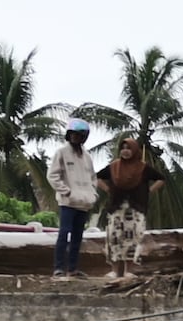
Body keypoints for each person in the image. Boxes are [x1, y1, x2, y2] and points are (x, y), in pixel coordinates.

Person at [95, 133, 158, 275]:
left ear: (134, 150)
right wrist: (108, 189)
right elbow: (97, 178)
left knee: (132, 239)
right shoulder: (114, 167)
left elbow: (160, 179)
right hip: (117, 209)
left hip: (135, 209)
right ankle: (114, 271)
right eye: (123, 148)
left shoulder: (143, 168)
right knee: (114, 238)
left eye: (128, 148)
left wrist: (149, 191)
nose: (125, 151)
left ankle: (129, 271)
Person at [43, 119, 98, 278]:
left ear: (84, 137)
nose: (76, 138)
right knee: (64, 233)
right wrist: (66, 191)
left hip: (84, 203)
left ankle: (73, 269)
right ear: (68, 135)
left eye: (79, 135)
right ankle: (59, 268)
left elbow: (93, 177)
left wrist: (92, 194)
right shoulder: (61, 152)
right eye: (73, 135)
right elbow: (52, 175)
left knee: (77, 237)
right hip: (68, 202)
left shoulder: (87, 156)